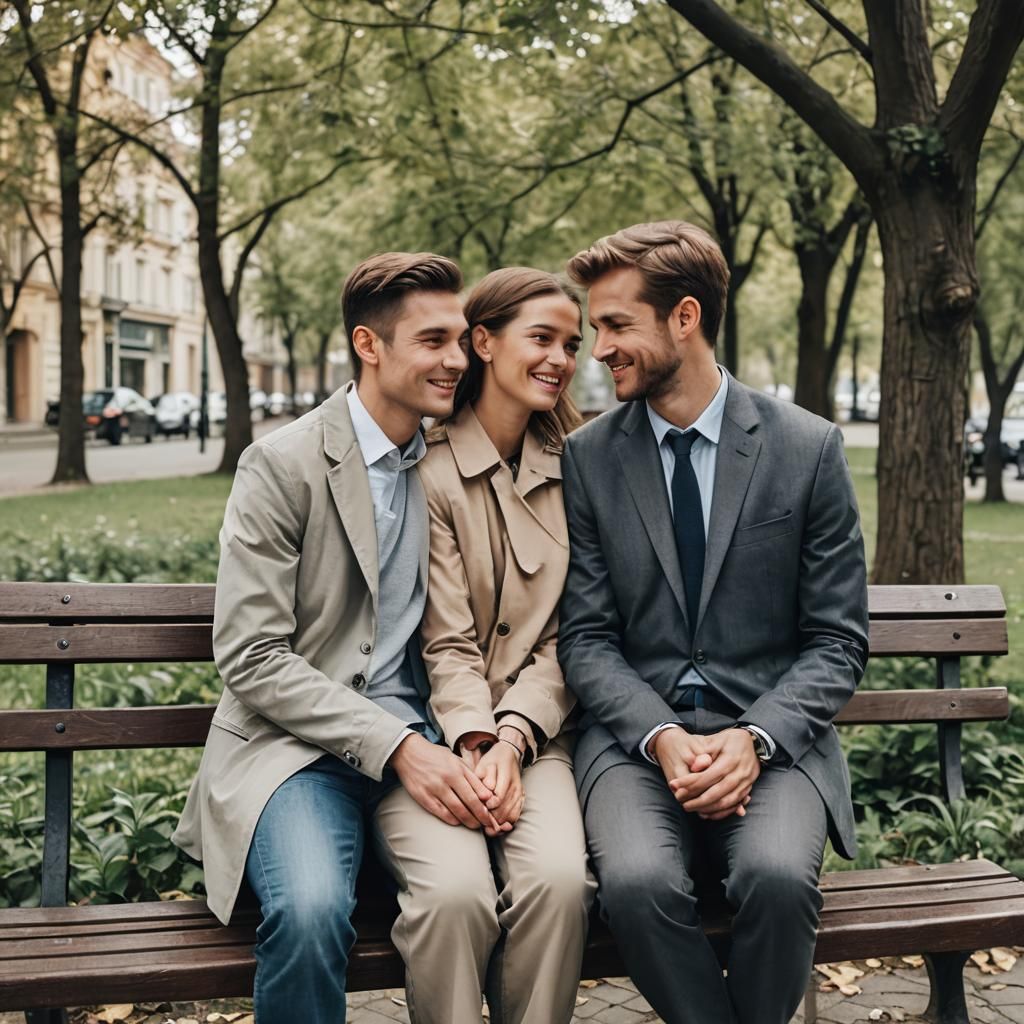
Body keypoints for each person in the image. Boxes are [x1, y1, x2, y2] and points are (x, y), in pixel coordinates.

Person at [173, 251, 513, 1024]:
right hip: (293, 750)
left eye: (459, 341)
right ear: (369, 345)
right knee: (310, 909)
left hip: (421, 743)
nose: (456, 361)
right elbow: (253, 657)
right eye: (432, 342)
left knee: (465, 898)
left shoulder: (449, 461)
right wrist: (397, 747)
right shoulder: (282, 464)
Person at [557, 221, 869, 1024]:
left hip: (774, 741)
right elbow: (586, 639)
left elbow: (837, 641)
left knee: (775, 877)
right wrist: (662, 736)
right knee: (634, 883)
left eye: (617, 325)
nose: (598, 349)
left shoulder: (807, 448)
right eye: (598, 328)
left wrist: (755, 738)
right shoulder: (590, 458)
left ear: (684, 319)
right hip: (636, 741)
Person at [417, 267, 596, 1023]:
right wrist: (475, 738)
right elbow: (444, 639)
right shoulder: (425, 468)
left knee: (560, 882)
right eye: (542, 339)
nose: (561, 358)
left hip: (538, 732)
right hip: (435, 735)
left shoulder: (584, 468)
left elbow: (578, 633)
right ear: (482, 342)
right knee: (456, 898)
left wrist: (515, 739)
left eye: (572, 344)